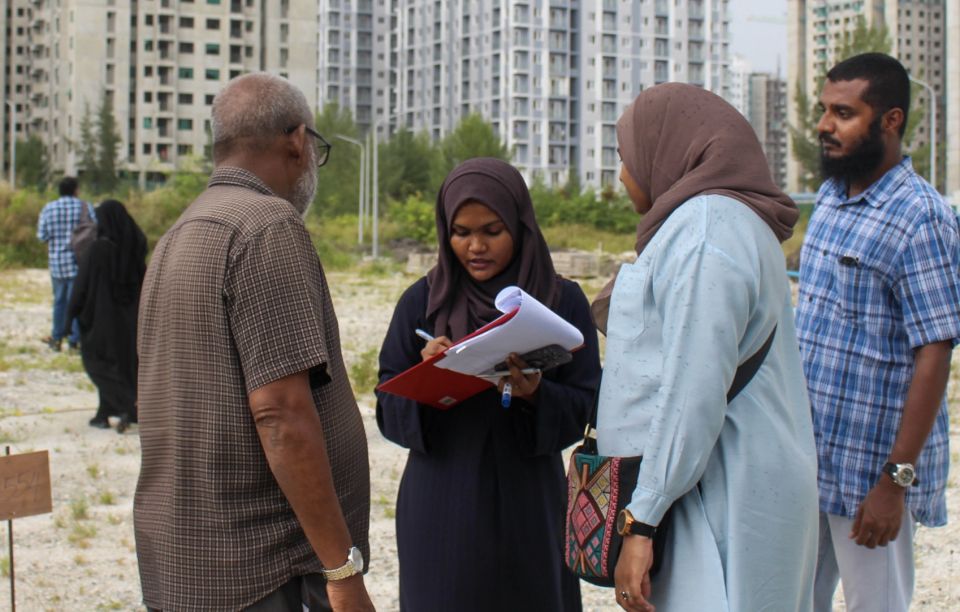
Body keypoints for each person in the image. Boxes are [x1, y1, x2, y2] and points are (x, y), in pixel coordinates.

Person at [134, 73, 373, 611]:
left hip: (187, 565)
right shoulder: (266, 226)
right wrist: (341, 571)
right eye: (316, 147)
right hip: (264, 573)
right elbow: (282, 416)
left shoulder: (179, 235)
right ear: (296, 140)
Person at [594, 83, 819, 611]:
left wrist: (642, 519)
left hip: (720, 492)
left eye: (627, 159)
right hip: (744, 480)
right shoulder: (733, 223)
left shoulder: (705, 233)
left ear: (666, 150)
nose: (625, 177)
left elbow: (692, 389)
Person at [375, 157, 600, 611]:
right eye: (461, 232)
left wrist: (537, 394)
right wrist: (429, 378)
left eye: (492, 231)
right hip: (442, 499)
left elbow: (589, 406)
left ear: (519, 225)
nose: (475, 246)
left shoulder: (561, 301)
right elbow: (386, 408)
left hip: (529, 500)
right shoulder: (423, 302)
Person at [795, 53, 960, 612]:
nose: (823, 125)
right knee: (790, 600)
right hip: (809, 457)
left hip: (871, 470)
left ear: (890, 120)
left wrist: (895, 481)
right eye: (824, 110)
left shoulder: (922, 217)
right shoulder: (831, 199)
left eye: (843, 113)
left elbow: (934, 352)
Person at [67, 199, 146, 433]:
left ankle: (129, 408)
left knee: (99, 366)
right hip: (130, 323)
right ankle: (105, 412)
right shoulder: (134, 249)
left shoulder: (97, 250)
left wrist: (66, 321)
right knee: (124, 367)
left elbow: (80, 288)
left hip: (101, 323)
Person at [37, 176, 95, 351]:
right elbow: (95, 229)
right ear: (76, 190)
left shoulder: (49, 208)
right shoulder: (84, 207)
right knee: (77, 302)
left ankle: (56, 338)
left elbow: (42, 236)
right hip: (79, 262)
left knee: (59, 301)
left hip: (57, 263)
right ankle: (74, 340)